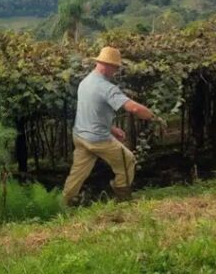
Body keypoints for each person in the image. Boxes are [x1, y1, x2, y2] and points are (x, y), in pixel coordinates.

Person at [62, 46, 164, 205]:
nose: (116, 71)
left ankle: (64, 203)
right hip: (98, 139)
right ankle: (123, 199)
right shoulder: (106, 88)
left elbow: (92, 112)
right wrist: (153, 117)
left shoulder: (85, 82)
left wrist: (111, 128)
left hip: (81, 136)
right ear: (107, 65)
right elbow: (133, 108)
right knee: (127, 160)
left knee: (77, 174)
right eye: (115, 67)